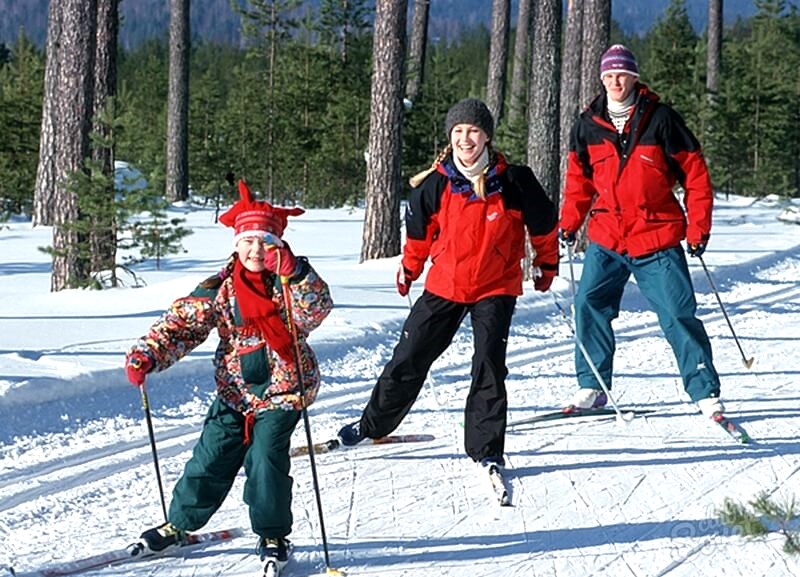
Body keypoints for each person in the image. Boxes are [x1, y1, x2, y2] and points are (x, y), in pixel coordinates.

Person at [337, 98, 559, 469]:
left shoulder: (515, 181)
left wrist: (546, 264)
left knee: (488, 364)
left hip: (496, 286)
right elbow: (419, 237)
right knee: (409, 356)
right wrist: (409, 270)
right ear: (450, 136)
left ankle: (487, 449)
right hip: (446, 284)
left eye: (473, 130)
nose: (465, 139)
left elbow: (544, 226)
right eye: (458, 131)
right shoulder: (434, 185)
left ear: (486, 135)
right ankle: (372, 425)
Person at [124, 180, 332, 572]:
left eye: (265, 242)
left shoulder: (289, 282)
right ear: (237, 244)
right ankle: (180, 524)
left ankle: (272, 533)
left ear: (278, 246)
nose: (256, 250)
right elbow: (183, 325)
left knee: (265, 458)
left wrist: (297, 272)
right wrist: (147, 353)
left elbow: (314, 313)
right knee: (210, 455)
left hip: (284, 389)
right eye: (249, 241)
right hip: (235, 391)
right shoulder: (220, 287)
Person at [558, 44, 724, 418]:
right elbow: (579, 182)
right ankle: (593, 386)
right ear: (602, 79)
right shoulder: (587, 124)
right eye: (609, 75)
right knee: (589, 304)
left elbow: (695, 176)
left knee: (678, 312)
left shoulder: (661, 119)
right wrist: (569, 223)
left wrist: (698, 228)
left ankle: (704, 391)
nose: (616, 81)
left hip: (656, 236)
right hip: (607, 236)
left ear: (634, 77)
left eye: (622, 74)